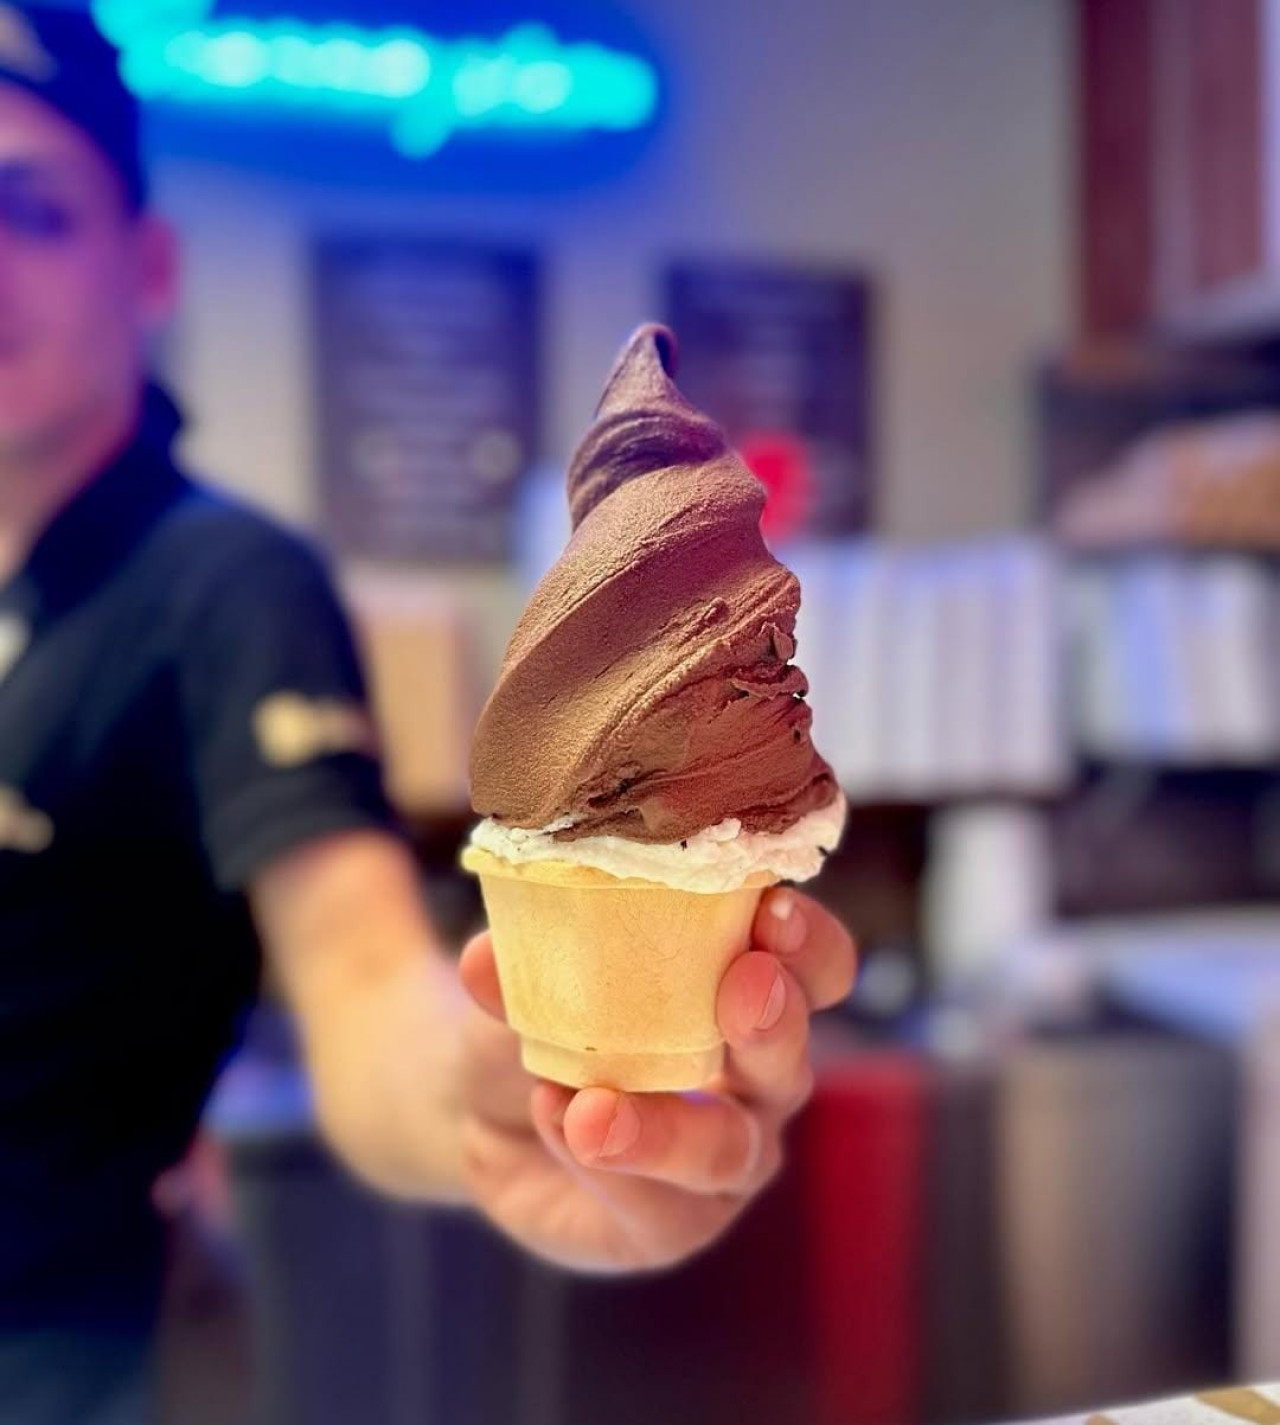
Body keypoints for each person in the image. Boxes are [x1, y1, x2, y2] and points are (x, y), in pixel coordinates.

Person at [0, 6, 857, 1421]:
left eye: (32, 211)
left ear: (147, 266)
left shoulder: (219, 583)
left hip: (74, 1359)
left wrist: (492, 1101)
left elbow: (358, 977)